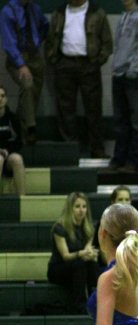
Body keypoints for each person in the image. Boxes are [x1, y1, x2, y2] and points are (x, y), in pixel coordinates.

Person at [45, 0, 112, 158]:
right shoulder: (59, 13)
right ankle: (70, 149)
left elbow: (107, 42)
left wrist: (97, 61)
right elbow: (50, 40)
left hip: (89, 64)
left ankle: (97, 149)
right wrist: (54, 60)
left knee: (93, 107)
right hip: (64, 64)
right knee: (65, 109)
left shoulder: (98, 12)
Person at [109, 0, 138, 173]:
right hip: (119, 74)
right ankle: (120, 158)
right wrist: (116, 68)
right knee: (120, 120)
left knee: (137, 121)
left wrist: (133, 69)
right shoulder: (123, 17)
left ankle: (135, 160)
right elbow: (118, 46)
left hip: (134, 76)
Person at [0, 0, 48, 144]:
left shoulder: (35, 9)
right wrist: (21, 64)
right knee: (27, 85)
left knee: (33, 94)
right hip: (18, 56)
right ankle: (30, 128)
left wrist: (37, 41)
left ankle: (21, 130)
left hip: (35, 55)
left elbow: (45, 26)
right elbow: (9, 43)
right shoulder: (8, 11)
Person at [47, 191, 98, 312]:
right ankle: (79, 305)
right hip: (58, 268)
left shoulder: (89, 228)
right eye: (77, 207)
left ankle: (95, 300)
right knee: (80, 265)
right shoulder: (59, 228)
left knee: (92, 264)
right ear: (70, 208)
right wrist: (81, 254)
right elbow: (65, 256)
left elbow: (89, 250)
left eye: (84, 207)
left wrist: (91, 254)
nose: (81, 210)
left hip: (77, 266)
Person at [0, 85, 27, 195]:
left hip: (8, 155)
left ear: (6, 99)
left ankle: (22, 200)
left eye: (2, 96)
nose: (0, 99)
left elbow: (18, 141)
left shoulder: (13, 118)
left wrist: (7, 151)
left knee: (17, 159)